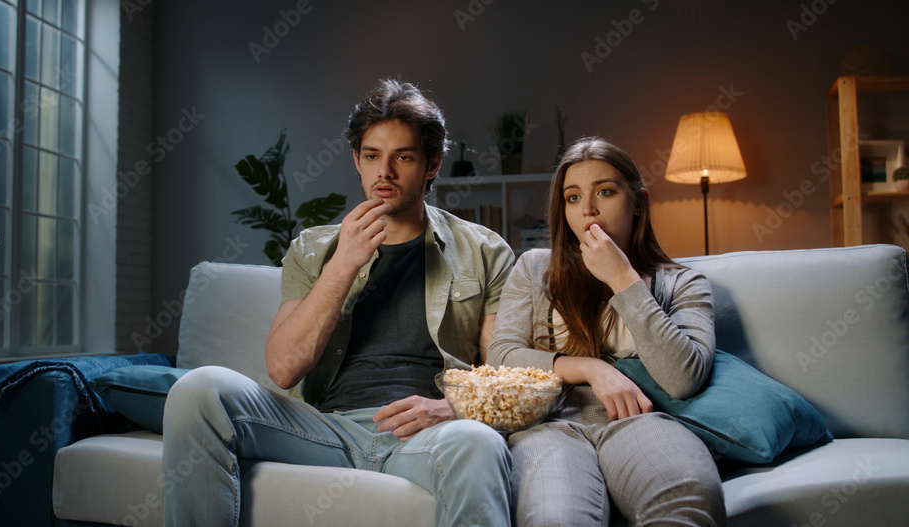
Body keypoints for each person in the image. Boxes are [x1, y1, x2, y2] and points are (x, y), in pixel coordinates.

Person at [162, 78, 516, 527]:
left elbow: (507, 372)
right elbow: (284, 367)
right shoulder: (313, 249)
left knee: (479, 442)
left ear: (432, 164)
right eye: (372, 156)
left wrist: (454, 408)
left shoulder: (484, 251)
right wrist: (342, 265)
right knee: (198, 389)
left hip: (425, 433)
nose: (383, 172)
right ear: (356, 160)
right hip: (324, 429)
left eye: (402, 157)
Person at [487, 137, 726, 526]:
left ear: (638, 202)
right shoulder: (533, 269)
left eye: (605, 192)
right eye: (573, 197)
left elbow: (682, 379)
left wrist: (624, 280)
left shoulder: (682, 283)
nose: (589, 210)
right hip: (552, 426)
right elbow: (501, 357)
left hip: (641, 421)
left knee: (690, 498)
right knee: (555, 517)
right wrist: (594, 369)